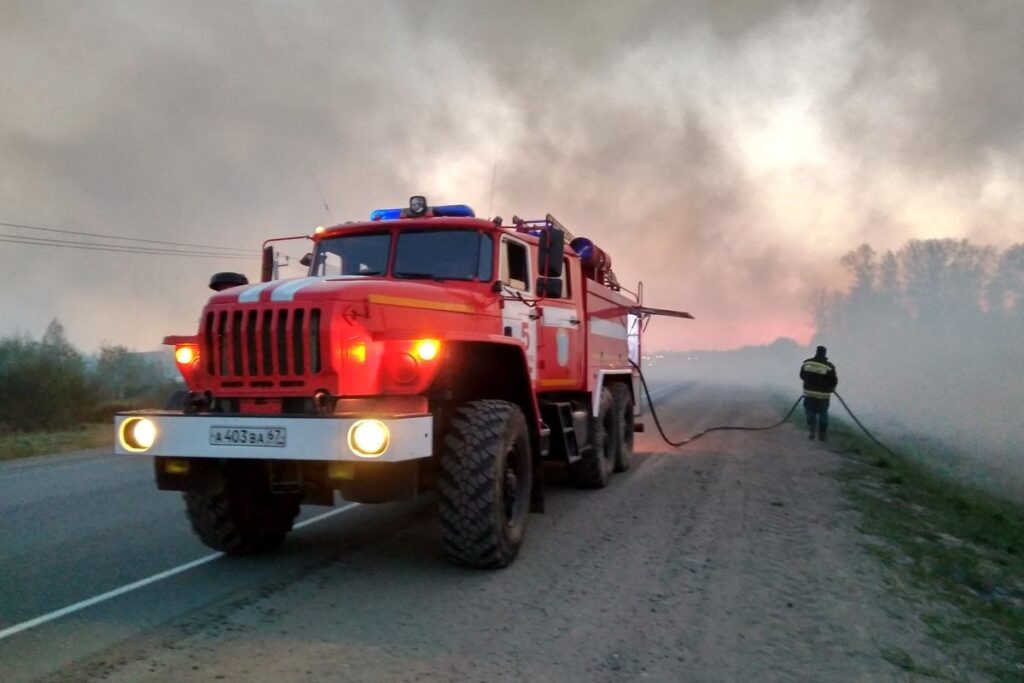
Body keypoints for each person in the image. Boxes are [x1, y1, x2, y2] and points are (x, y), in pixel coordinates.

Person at [800, 345, 838, 441]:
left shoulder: (807, 363)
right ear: (825, 354)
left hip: (809, 394)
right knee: (823, 414)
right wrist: (831, 388)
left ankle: (812, 432)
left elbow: (802, 376)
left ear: (816, 352)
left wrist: (810, 382)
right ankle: (822, 435)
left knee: (810, 413)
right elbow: (834, 380)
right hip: (823, 396)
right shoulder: (829, 367)